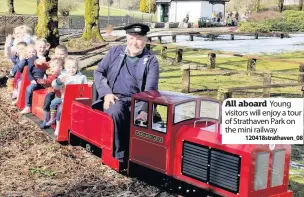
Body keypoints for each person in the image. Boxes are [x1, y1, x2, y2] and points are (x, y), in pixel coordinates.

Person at [92, 23, 160, 165]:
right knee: (116, 112)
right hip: (115, 97)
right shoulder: (115, 52)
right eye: (131, 38)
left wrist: (143, 110)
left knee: (148, 123)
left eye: (139, 38)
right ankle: (118, 156)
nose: (134, 42)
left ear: (146, 40)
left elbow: (151, 89)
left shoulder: (151, 60)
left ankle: (142, 158)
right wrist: (106, 94)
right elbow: (98, 72)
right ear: (127, 38)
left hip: (138, 101)